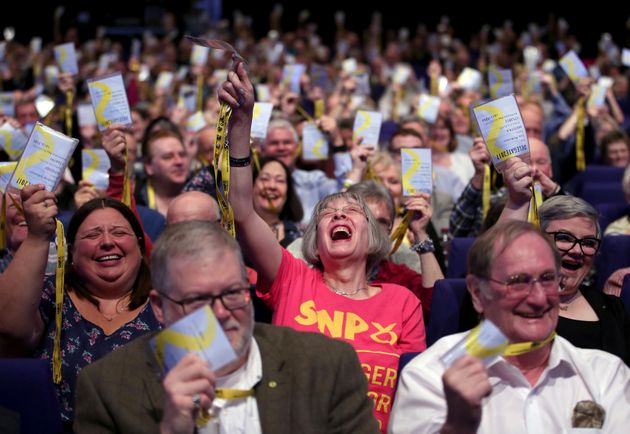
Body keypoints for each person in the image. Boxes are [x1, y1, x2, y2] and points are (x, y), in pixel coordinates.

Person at [222, 59, 425, 432]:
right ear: (315, 237)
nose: (339, 216)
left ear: (375, 235)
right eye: (328, 213)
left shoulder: (402, 302)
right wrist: (240, 128)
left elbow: (418, 395)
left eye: (352, 211)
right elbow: (243, 211)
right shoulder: (292, 277)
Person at [73, 221, 380, 434]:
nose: (221, 313)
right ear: (159, 307)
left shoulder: (327, 366)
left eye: (233, 293)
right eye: (197, 299)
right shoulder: (108, 389)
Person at [389, 220, 630, 433]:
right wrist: (456, 427)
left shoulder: (605, 375)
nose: (538, 298)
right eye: (518, 281)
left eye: (547, 279)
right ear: (477, 292)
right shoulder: (430, 376)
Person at [0, 187, 159, 426]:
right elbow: (8, 326)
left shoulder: (168, 302)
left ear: (139, 245)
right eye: (92, 235)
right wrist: (38, 236)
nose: (107, 241)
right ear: (72, 252)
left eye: (119, 232)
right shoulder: (51, 295)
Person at [252, 157, 303, 247]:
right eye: (264, 179)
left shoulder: (301, 235)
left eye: (280, 180)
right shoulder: (231, 230)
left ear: (288, 191)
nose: (272, 186)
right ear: (251, 185)